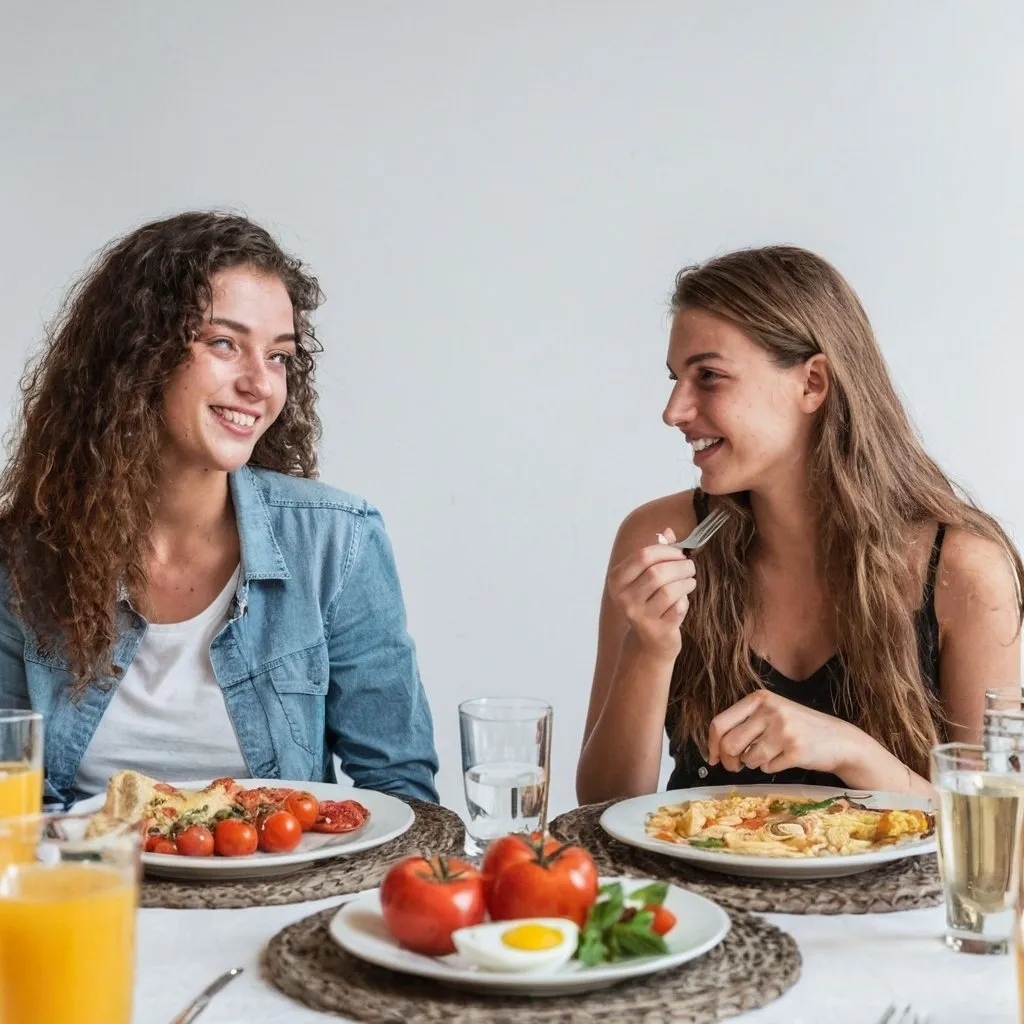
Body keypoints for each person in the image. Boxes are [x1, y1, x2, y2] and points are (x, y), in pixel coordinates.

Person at [0, 211, 439, 807]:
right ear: (136, 357)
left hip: (287, 895)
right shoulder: (22, 558)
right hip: (85, 892)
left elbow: (401, 795)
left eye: (280, 356)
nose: (261, 384)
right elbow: (10, 799)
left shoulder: (339, 542)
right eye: (225, 344)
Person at [577, 246, 1022, 803]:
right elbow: (601, 811)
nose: (674, 411)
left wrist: (852, 752)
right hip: (693, 892)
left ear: (812, 383)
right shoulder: (658, 538)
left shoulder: (964, 573)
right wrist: (649, 648)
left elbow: (1001, 845)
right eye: (674, 379)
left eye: (708, 376)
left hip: (900, 896)